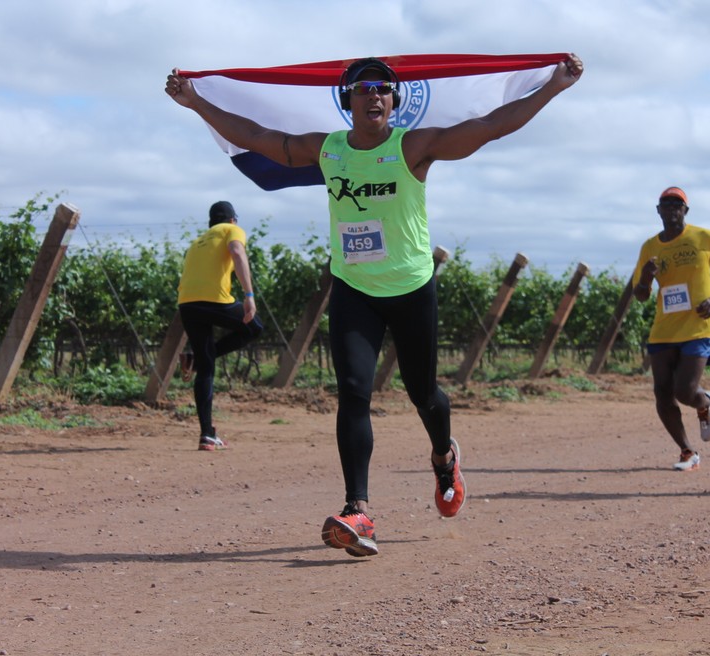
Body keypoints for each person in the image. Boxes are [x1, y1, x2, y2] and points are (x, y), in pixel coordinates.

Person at [166, 54, 584, 556]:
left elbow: (490, 126)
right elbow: (257, 135)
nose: (374, 95)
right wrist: (196, 103)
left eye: (383, 88)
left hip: (410, 288)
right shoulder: (330, 150)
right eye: (363, 89)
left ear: (394, 101)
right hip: (353, 288)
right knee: (353, 393)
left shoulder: (414, 147)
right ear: (347, 101)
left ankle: (444, 457)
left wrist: (554, 87)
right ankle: (357, 510)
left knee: (423, 392)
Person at [633, 187, 710, 472]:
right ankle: (687, 451)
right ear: (658, 210)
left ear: (685, 211)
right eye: (666, 204)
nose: (672, 209)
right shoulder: (650, 247)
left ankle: (705, 401)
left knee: (685, 390)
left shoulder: (705, 238)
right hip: (664, 328)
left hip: (699, 325)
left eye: (678, 205)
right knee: (662, 392)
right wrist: (645, 276)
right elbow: (640, 294)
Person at [177, 200, 264, 451]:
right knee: (254, 327)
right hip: (215, 300)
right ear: (232, 220)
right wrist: (249, 296)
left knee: (206, 367)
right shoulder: (232, 230)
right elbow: (237, 252)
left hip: (187, 303)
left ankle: (207, 435)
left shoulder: (197, 242)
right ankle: (197, 358)